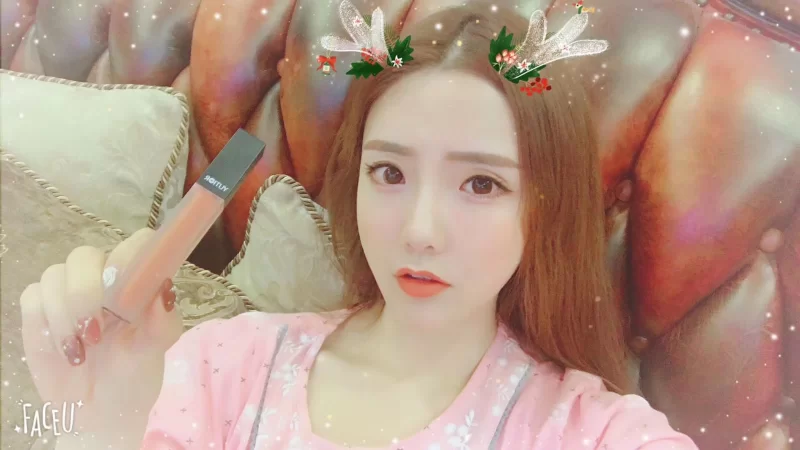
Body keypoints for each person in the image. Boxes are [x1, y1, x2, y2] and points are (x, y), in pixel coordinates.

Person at [20, 4, 699, 450]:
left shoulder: (589, 431)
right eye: (390, 173)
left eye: (481, 184)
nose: (420, 232)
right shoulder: (225, 366)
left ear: (545, 208)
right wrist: (104, 426)